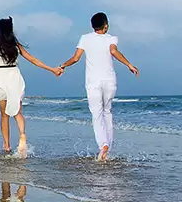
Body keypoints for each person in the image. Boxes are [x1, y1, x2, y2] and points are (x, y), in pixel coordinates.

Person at [59, 12, 138, 161]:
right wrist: (129, 64)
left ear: (92, 26)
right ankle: (107, 146)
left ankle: (103, 145)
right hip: (110, 81)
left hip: (93, 82)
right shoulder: (112, 38)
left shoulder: (85, 38)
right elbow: (114, 51)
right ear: (106, 25)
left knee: (97, 114)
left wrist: (62, 65)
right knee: (107, 112)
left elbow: (76, 58)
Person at [0, 17, 62, 155]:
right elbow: (33, 60)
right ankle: (22, 134)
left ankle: (7, 146)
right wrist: (52, 69)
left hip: (0, 77)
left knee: (4, 115)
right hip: (14, 76)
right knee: (18, 111)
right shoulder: (16, 45)